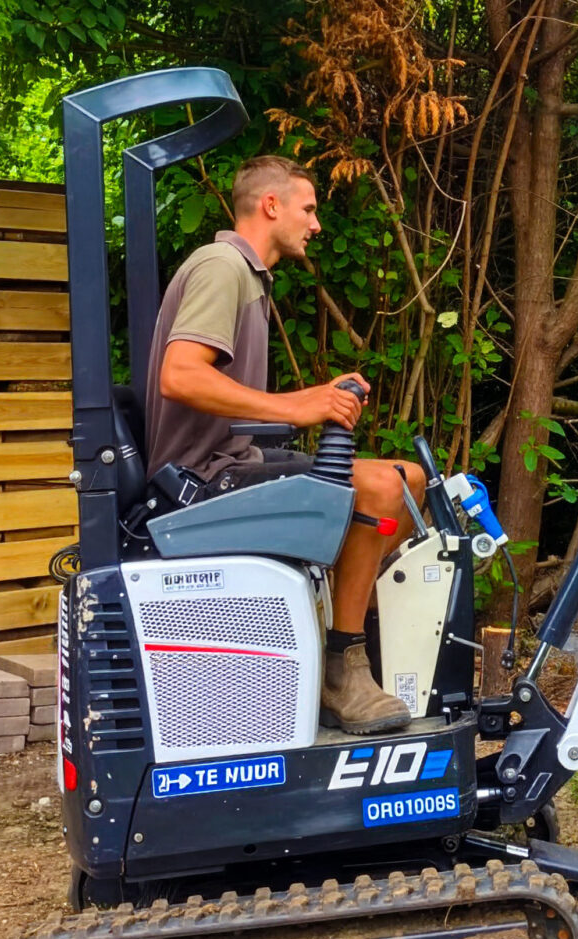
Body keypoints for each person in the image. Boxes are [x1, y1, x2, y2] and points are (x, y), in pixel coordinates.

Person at [144, 155, 421, 735]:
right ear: (271, 205)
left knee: (408, 480)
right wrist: (298, 405)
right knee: (379, 487)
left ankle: (337, 640)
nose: (316, 224)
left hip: (233, 460)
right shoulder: (223, 267)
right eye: (309, 207)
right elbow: (181, 375)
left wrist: (313, 399)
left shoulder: (248, 276)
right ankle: (344, 667)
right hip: (200, 480)